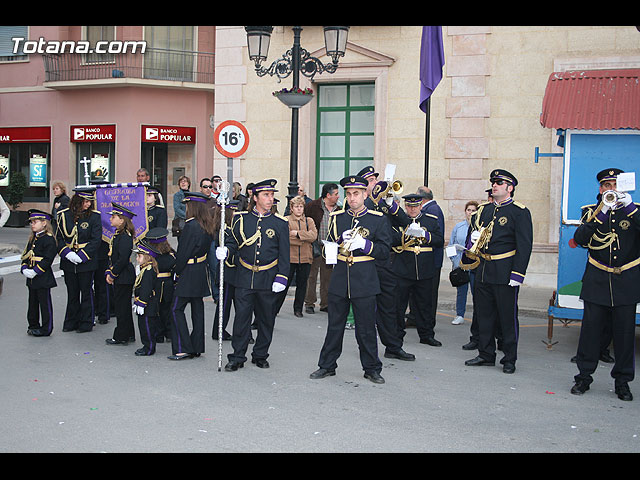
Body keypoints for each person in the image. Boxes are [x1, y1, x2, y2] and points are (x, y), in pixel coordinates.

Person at [310, 175, 391, 384]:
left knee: (365, 328)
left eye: (356, 193)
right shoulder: (338, 217)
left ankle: (372, 368)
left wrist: (365, 245)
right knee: (334, 326)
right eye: (349, 194)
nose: (352, 198)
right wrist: (337, 242)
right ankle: (327, 365)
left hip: (364, 279)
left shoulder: (377, 218)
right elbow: (327, 246)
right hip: (340, 279)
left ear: (365, 194)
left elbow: (384, 251)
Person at [570, 168, 639, 401]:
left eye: (615, 185)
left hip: (626, 281)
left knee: (625, 334)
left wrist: (629, 208)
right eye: (606, 186)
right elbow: (580, 239)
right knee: (590, 333)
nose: (611, 190)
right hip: (597, 280)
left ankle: (622, 381)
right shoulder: (591, 212)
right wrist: (602, 212)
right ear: (600, 190)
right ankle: (583, 377)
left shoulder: (635, 211)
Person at [462, 169, 533, 374]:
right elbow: (472, 236)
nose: (495, 185)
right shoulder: (483, 210)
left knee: (507, 317)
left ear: (510, 188)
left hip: (505, 270)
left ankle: (509, 358)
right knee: (484, 315)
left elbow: (524, 245)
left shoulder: (519, 212)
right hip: (484, 268)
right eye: (493, 182)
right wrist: (471, 246)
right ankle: (486, 354)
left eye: (500, 183)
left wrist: (517, 274)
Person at [218, 179, 290, 372]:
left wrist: (282, 277)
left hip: (268, 277)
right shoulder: (241, 219)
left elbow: (284, 254)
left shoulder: (279, 223)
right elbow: (234, 242)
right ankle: (237, 356)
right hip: (244, 275)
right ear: (255, 197)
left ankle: (260, 354)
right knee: (241, 318)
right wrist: (226, 251)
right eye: (266, 195)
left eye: (272, 195)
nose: (270, 199)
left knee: (266, 319)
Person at [359, 165, 416, 360]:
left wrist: (392, 205)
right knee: (364, 308)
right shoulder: (361, 204)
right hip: (366, 262)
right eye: (372, 181)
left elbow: (404, 222)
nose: (376, 183)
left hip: (384, 262)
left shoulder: (382, 203)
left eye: (376, 179)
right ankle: (367, 350)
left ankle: (392, 346)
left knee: (389, 305)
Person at [170, 191, 218, 360]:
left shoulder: (191, 226)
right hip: (200, 270)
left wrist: (176, 272)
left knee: (176, 309)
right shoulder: (206, 224)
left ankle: (183, 347)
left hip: (189, 271)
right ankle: (197, 346)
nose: (186, 208)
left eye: (187, 205)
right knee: (197, 309)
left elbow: (183, 253)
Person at [392, 193, 444, 344]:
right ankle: (397, 335)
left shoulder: (431, 220)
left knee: (424, 305)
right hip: (403, 268)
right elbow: (390, 240)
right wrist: (404, 235)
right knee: (399, 305)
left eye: (415, 206)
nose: (412, 209)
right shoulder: (399, 221)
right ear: (405, 206)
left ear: (421, 206)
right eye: (409, 206)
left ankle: (426, 335)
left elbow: (440, 240)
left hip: (424, 268)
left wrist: (426, 235)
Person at [56, 186, 102, 333]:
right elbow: (59, 238)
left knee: (86, 292)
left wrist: (82, 255)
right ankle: (71, 321)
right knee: (72, 292)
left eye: (90, 201)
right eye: (85, 201)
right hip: (69, 260)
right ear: (78, 200)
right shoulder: (64, 215)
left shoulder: (94, 216)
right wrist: (67, 254)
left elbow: (96, 240)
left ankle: (86, 322)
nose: (88, 204)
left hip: (86, 261)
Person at [274, 195, 317, 317]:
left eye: (301, 206)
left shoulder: (309, 221)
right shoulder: (285, 220)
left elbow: (313, 236)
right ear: (291, 208)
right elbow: (286, 238)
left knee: (302, 285)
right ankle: (275, 308)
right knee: (284, 284)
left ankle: (298, 309)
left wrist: (298, 234)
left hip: (305, 257)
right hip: (290, 257)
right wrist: (304, 238)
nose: (299, 209)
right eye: (296, 207)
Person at [304, 183, 341, 314]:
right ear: (328, 195)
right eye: (336, 194)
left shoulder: (340, 209)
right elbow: (304, 222)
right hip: (314, 245)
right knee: (311, 275)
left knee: (328, 276)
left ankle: (325, 303)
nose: (338, 196)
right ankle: (309, 303)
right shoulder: (312, 206)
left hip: (330, 247)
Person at [415, 185, 445, 346]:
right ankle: (419, 322)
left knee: (428, 297)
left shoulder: (432, 210)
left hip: (430, 260)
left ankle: (427, 327)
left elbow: (436, 236)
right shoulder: (433, 208)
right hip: (425, 261)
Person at [104, 203, 137, 346]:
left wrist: (112, 274)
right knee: (123, 306)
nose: (111, 219)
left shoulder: (124, 236)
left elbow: (123, 259)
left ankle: (121, 336)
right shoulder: (119, 234)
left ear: (122, 220)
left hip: (123, 276)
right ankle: (128, 333)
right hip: (122, 275)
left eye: (114, 217)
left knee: (121, 307)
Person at [21, 209, 57, 337]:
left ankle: (46, 328)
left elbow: (48, 259)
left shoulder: (48, 239)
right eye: (31, 222)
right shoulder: (33, 238)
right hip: (31, 278)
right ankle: (33, 325)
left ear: (44, 223)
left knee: (44, 304)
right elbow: (25, 255)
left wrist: (35, 271)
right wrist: (24, 268)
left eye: (35, 222)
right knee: (32, 303)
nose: (32, 224)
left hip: (42, 277)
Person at [212, 200, 239, 341]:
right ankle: (219, 330)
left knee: (229, 303)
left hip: (231, 271)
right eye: (233, 211)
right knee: (225, 304)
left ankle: (220, 330)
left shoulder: (227, 228)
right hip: (229, 270)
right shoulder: (225, 229)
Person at [449, 201, 479, 325]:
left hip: (475, 264)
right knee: (461, 291)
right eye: (468, 210)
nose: (470, 213)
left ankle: (478, 316)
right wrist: (455, 260)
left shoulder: (479, 228)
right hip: (461, 264)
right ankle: (459, 314)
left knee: (476, 292)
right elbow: (451, 246)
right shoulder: (459, 227)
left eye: (473, 210)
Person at [144, 227, 176, 344]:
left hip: (156, 284)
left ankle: (158, 334)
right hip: (168, 284)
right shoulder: (171, 255)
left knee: (156, 310)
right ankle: (169, 333)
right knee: (167, 309)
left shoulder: (152, 257)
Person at [132, 240, 161, 356]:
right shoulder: (144, 268)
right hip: (144, 302)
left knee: (147, 327)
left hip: (148, 304)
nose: (137, 259)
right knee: (142, 325)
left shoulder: (148, 271)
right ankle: (146, 345)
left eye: (139, 256)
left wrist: (142, 303)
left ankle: (149, 348)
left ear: (148, 258)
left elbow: (146, 288)